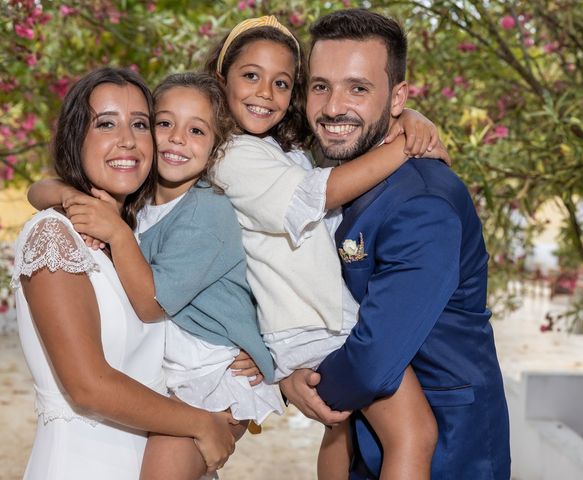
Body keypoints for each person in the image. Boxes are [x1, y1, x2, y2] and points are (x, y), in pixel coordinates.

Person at [208, 15, 449, 479]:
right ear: (221, 81)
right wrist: (403, 145)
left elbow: (342, 147)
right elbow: (318, 194)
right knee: (414, 434)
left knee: (341, 431)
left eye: (282, 83)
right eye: (250, 76)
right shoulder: (234, 156)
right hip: (313, 323)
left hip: (310, 319)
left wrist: (407, 116)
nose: (265, 92)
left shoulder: (279, 150)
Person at [279, 9, 511, 480]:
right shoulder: (333, 172)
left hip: (447, 449)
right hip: (367, 440)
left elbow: (371, 364)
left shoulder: (423, 203)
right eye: (320, 86)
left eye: (358, 88)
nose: (332, 107)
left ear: (398, 96)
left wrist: (299, 385)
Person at [28, 72, 283, 480]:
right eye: (163, 124)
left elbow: (149, 303)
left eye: (197, 130)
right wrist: (67, 196)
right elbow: (37, 191)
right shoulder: (136, 207)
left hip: (213, 371)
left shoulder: (204, 212)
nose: (177, 138)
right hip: (169, 391)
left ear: (216, 149)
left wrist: (116, 233)